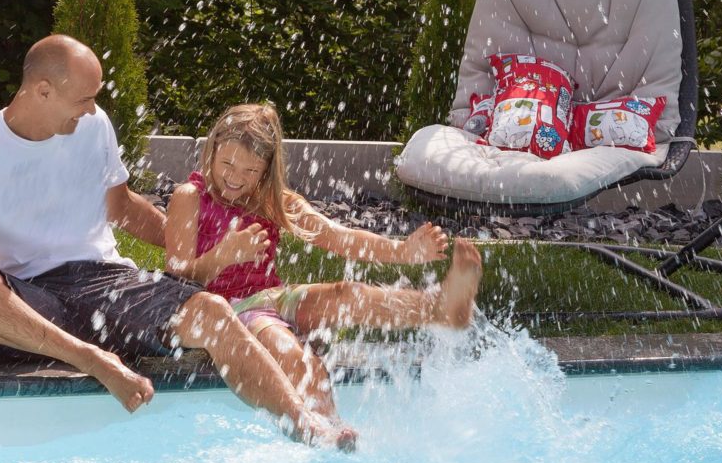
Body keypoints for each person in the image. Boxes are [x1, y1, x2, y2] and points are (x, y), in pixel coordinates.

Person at [0, 35, 354, 448]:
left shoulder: (93, 125)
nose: (91, 108)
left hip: (104, 281)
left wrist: (189, 252)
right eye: (84, 98)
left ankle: (303, 423)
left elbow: (121, 206)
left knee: (212, 311)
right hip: (28, 298)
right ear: (42, 90)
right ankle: (93, 360)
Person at [163, 102, 483, 425]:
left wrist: (403, 251)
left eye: (249, 172)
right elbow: (177, 277)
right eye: (227, 164)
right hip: (229, 311)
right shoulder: (190, 196)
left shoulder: (271, 201)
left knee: (346, 294)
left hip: (270, 297)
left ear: (265, 171)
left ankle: (441, 309)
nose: (234, 178)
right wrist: (225, 255)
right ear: (212, 149)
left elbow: (338, 237)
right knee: (298, 358)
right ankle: (330, 428)